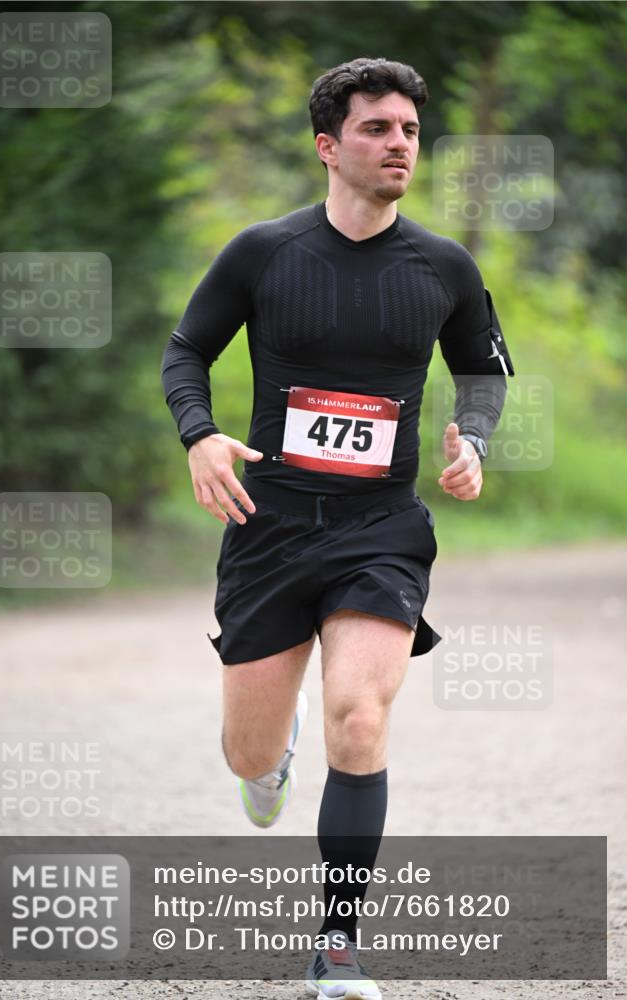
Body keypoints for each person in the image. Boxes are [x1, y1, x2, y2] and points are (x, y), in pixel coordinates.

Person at [162, 56, 514, 1000]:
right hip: (268, 524)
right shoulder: (263, 253)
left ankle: (338, 949)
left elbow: (483, 371)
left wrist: (472, 438)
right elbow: (187, 348)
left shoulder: (442, 265)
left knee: (360, 718)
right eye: (376, 128)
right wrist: (199, 438)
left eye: (408, 129)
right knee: (249, 756)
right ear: (328, 145)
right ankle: (266, 761)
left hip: (379, 527)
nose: (399, 143)